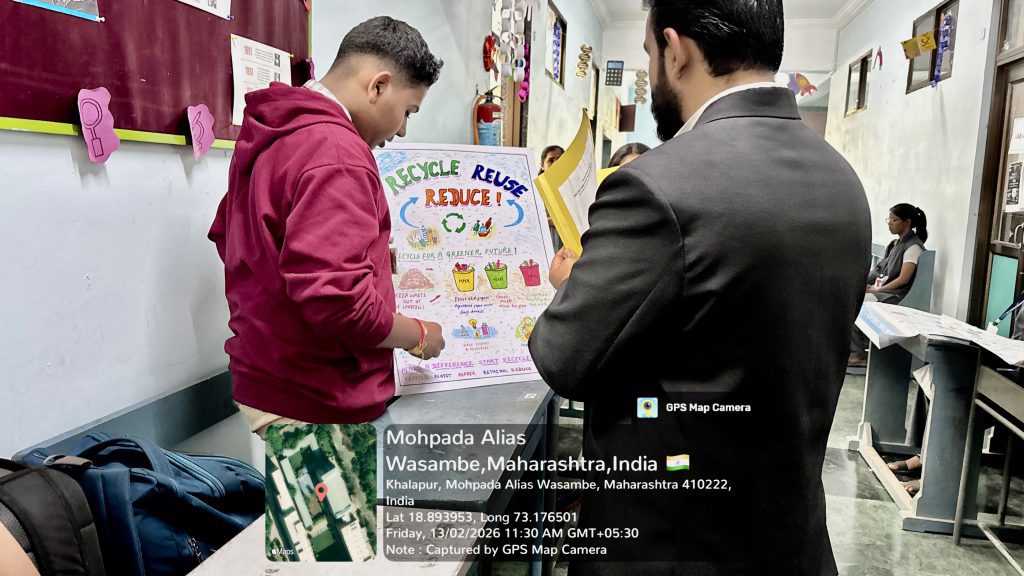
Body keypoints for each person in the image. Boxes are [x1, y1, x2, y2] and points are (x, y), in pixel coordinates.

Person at [528, 1, 870, 574]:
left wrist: (569, 285)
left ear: (676, 49)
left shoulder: (657, 185)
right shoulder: (842, 181)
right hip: (790, 539)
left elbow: (564, 358)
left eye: (649, 54)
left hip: (670, 544)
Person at [208, 16, 446, 436]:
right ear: (378, 86)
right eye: (407, 111)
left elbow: (235, 234)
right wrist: (419, 335)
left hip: (270, 375)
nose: (402, 130)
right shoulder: (337, 153)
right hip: (314, 397)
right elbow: (339, 302)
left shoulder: (279, 129)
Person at [848, 204, 929, 367]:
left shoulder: (913, 247)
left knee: (854, 304)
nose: (890, 223)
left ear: (907, 222)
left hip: (895, 297)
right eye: (889, 220)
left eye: (894, 220)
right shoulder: (896, 244)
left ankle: (858, 354)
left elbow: (903, 279)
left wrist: (878, 289)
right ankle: (855, 350)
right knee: (849, 299)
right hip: (884, 292)